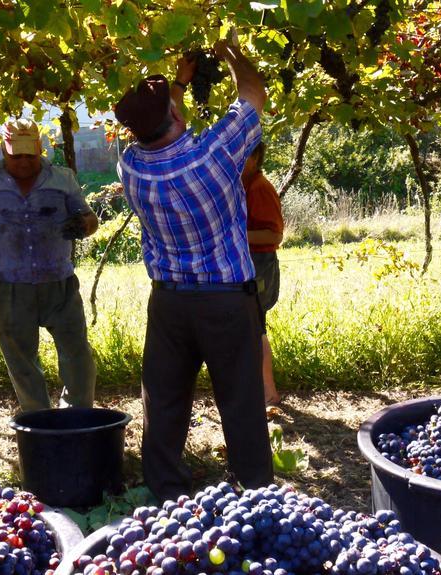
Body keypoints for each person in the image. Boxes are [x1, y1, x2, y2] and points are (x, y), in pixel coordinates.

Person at [114, 38, 274, 501]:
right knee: (241, 402)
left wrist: (178, 84)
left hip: (168, 303)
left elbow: (161, 127)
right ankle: (257, 494)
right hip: (226, 300)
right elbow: (253, 94)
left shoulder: (132, 168)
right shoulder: (215, 154)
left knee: (162, 404)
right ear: (178, 118)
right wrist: (231, 53)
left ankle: (165, 494)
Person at [0, 119, 99, 413]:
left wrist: (83, 225)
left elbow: (91, 219)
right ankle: (39, 423)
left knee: (77, 357)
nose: (22, 162)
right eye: (15, 155)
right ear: (4, 151)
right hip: (11, 287)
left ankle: (78, 418)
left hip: (59, 284)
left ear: (39, 148)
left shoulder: (63, 178)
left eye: (28, 155)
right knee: (21, 362)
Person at [242, 142, 284, 406]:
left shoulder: (259, 187)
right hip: (251, 261)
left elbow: (275, 234)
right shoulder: (244, 185)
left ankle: (268, 392)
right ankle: (260, 389)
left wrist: (234, 237)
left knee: (255, 326)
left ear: (255, 157)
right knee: (250, 326)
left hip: (261, 264)